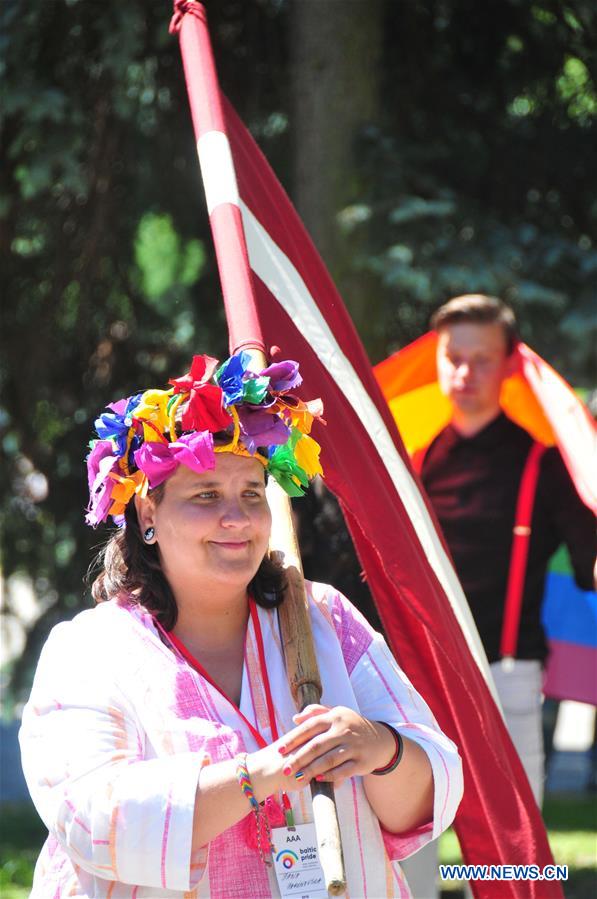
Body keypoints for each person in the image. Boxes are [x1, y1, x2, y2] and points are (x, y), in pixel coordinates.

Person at [19, 349, 463, 898]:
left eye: (251, 494)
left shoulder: (323, 617)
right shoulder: (89, 651)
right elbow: (94, 818)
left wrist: (380, 748)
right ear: (148, 515)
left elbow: (430, 793)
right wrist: (261, 774)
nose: (237, 519)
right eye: (206, 496)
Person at [417, 294, 596, 806]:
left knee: (514, 858)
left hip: (510, 671)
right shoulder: (413, 459)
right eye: (454, 357)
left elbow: (590, 560)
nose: (465, 372)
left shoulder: (546, 465)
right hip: (420, 670)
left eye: (482, 359)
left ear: (509, 364)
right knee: (412, 850)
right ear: (436, 358)